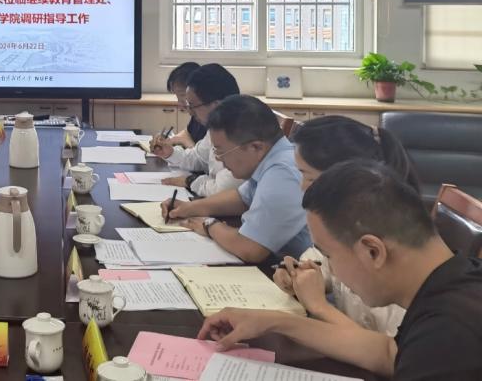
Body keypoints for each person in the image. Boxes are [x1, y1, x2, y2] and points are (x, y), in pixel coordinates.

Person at [199, 161, 482, 380]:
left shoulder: (449, 336)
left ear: (373, 251)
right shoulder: (452, 279)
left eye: (329, 256)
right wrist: (273, 321)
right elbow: (388, 353)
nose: (329, 269)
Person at [273, 116, 419, 335]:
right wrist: (299, 274)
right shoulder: (347, 227)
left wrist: (319, 307)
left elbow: (389, 350)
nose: (302, 187)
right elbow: (322, 260)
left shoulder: (397, 260)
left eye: (309, 178)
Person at [162, 95, 312, 263]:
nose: (218, 159)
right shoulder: (271, 158)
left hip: (304, 270)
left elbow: (250, 248)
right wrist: (188, 208)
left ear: (255, 147)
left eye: (220, 151)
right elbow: (242, 198)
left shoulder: (283, 172)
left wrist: (209, 225)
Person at [151, 63, 243, 197]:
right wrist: (170, 153)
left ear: (216, 105)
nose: (189, 111)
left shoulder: (242, 131)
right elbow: (198, 158)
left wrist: (190, 181)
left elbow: (221, 190)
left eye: (192, 105)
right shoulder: (217, 127)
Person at [164, 61, 203, 148]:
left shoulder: (207, 117)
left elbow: (201, 155)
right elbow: (187, 132)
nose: (180, 104)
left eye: (182, 95)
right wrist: (170, 140)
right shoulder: (196, 115)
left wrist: (184, 141)